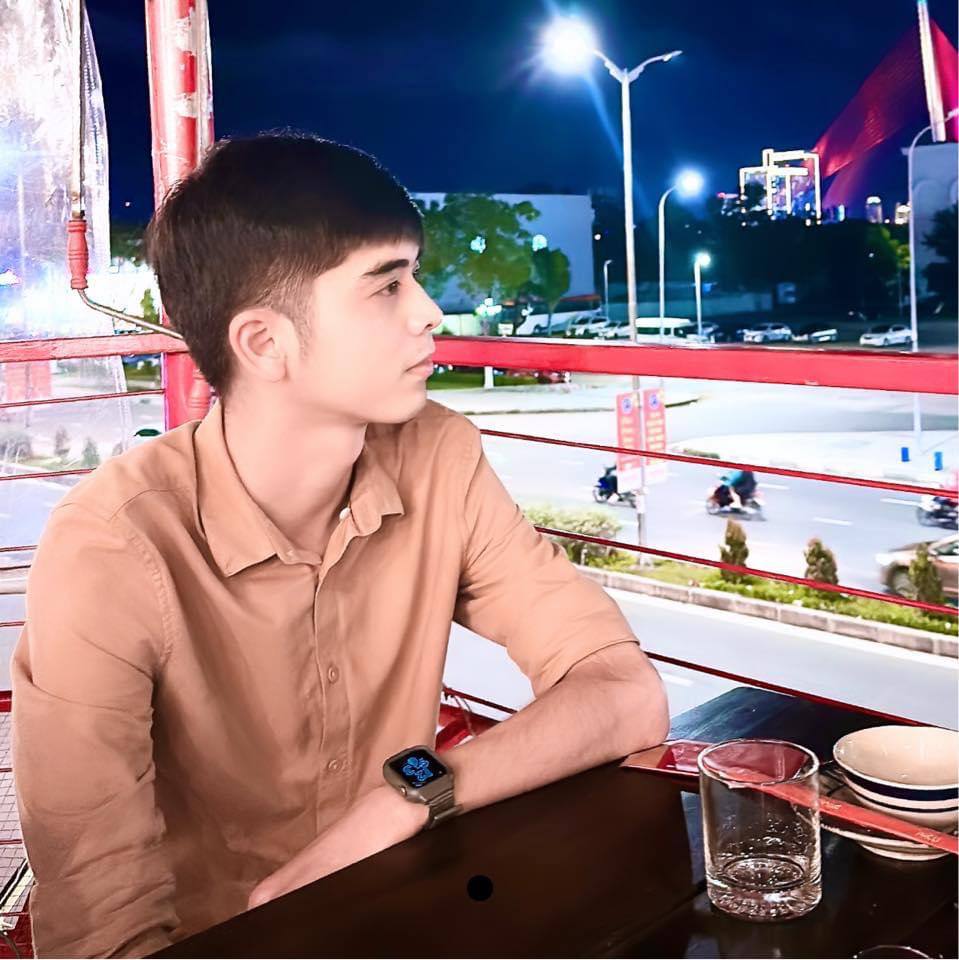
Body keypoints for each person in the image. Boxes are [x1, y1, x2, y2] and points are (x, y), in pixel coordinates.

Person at [12, 135, 669, 958]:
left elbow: (620, 692)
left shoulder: (439, 457)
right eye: (386, 285)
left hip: (412, 913)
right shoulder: (111, 548)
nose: (429, 310)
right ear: (263, 344)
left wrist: (412, 795)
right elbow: (103, 923)